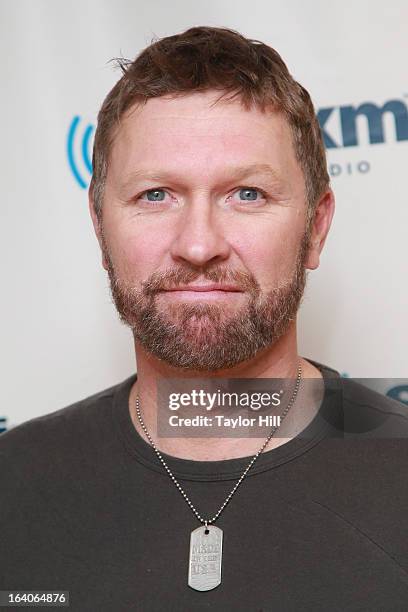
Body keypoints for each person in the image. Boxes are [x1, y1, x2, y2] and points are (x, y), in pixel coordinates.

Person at [1, 26, 407, 611]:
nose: (198, 245)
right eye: (155, 195)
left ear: (316, 229)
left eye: (246, 194)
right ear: (99, 226)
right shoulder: (12, 486)